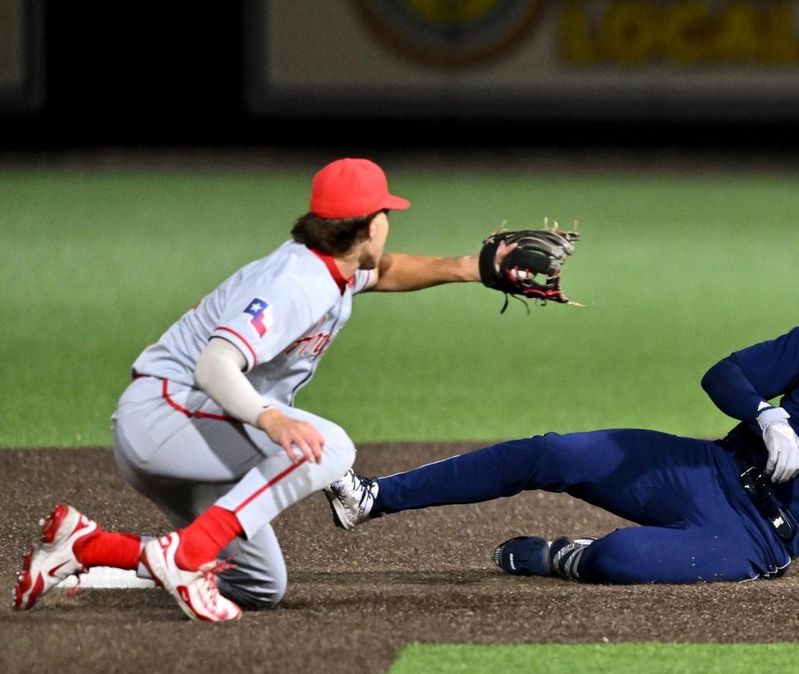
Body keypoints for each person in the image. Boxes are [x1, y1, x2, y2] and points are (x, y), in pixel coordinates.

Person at [323, 260, 799, 587]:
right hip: (704, 470)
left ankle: (560, 557)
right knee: (554, 451)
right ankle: (373, 498)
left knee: (623, 561)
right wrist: (766, 413)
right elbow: (722, 373)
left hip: (755, 541)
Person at [13, 158, 526, 621]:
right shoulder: (297, 283)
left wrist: (469, 268)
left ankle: (86, 548)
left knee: (259, 585)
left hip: (204, 432)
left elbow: (387, 272)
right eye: (387, 215)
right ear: (370, 227)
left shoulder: (333, 263)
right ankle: (186, 556)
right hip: (166, 414)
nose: (389, 225)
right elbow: (216, 365)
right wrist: (271, 418)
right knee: (330, 447)